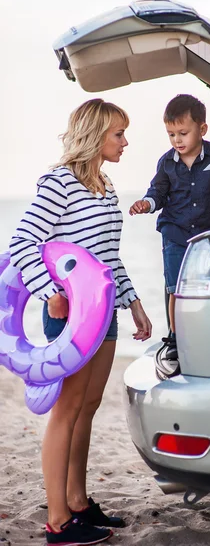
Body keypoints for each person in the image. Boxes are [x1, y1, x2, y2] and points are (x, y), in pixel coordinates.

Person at [9, 99, 152, 546]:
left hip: (104, 314)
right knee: (67, 411)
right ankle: (57, 522)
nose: (125, 142)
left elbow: (107, 259)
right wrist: (48, 292)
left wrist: (133, 304)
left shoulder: (105, 186)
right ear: (94, 135)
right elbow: (23, 242)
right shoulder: (58, 183)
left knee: (88, 407)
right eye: (118, 135)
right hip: (69, 319)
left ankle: (77, 500)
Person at [129, 94, 210, 355]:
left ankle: (207, 333)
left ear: (202, 129)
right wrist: (146, 204)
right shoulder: (166, 162)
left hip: (208, 234)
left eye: (183, 133)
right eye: (171, 134)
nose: (177, 140)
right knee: (177, 288)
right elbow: (157, 193)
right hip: (175, 231)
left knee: (207, 287)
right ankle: (175, 338)